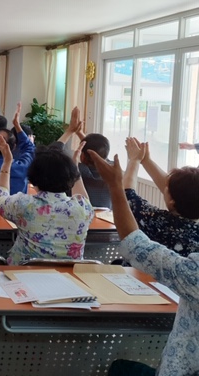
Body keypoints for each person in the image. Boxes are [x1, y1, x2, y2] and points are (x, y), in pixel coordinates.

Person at [88, 150, 199, 376]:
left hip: (181, 367)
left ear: (170, 198)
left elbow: (137, 245)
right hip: (165, 316)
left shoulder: (152, 219)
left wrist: (117, 183)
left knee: (120, 369)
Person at [0, 133, 94, 264]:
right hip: (68, 279)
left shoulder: (24, 204)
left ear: (33, 178)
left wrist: (7, 163)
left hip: (23, 277)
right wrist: (74, 167)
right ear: (72, 178)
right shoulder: (83, 208)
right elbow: (83, 198)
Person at [122, 136, 199, 256]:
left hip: (138, 274)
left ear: (172, 201)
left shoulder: (156, 220)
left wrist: (134, 161)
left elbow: (127, 194)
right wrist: (146, 160)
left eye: (167, 189)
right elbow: (182, 191)